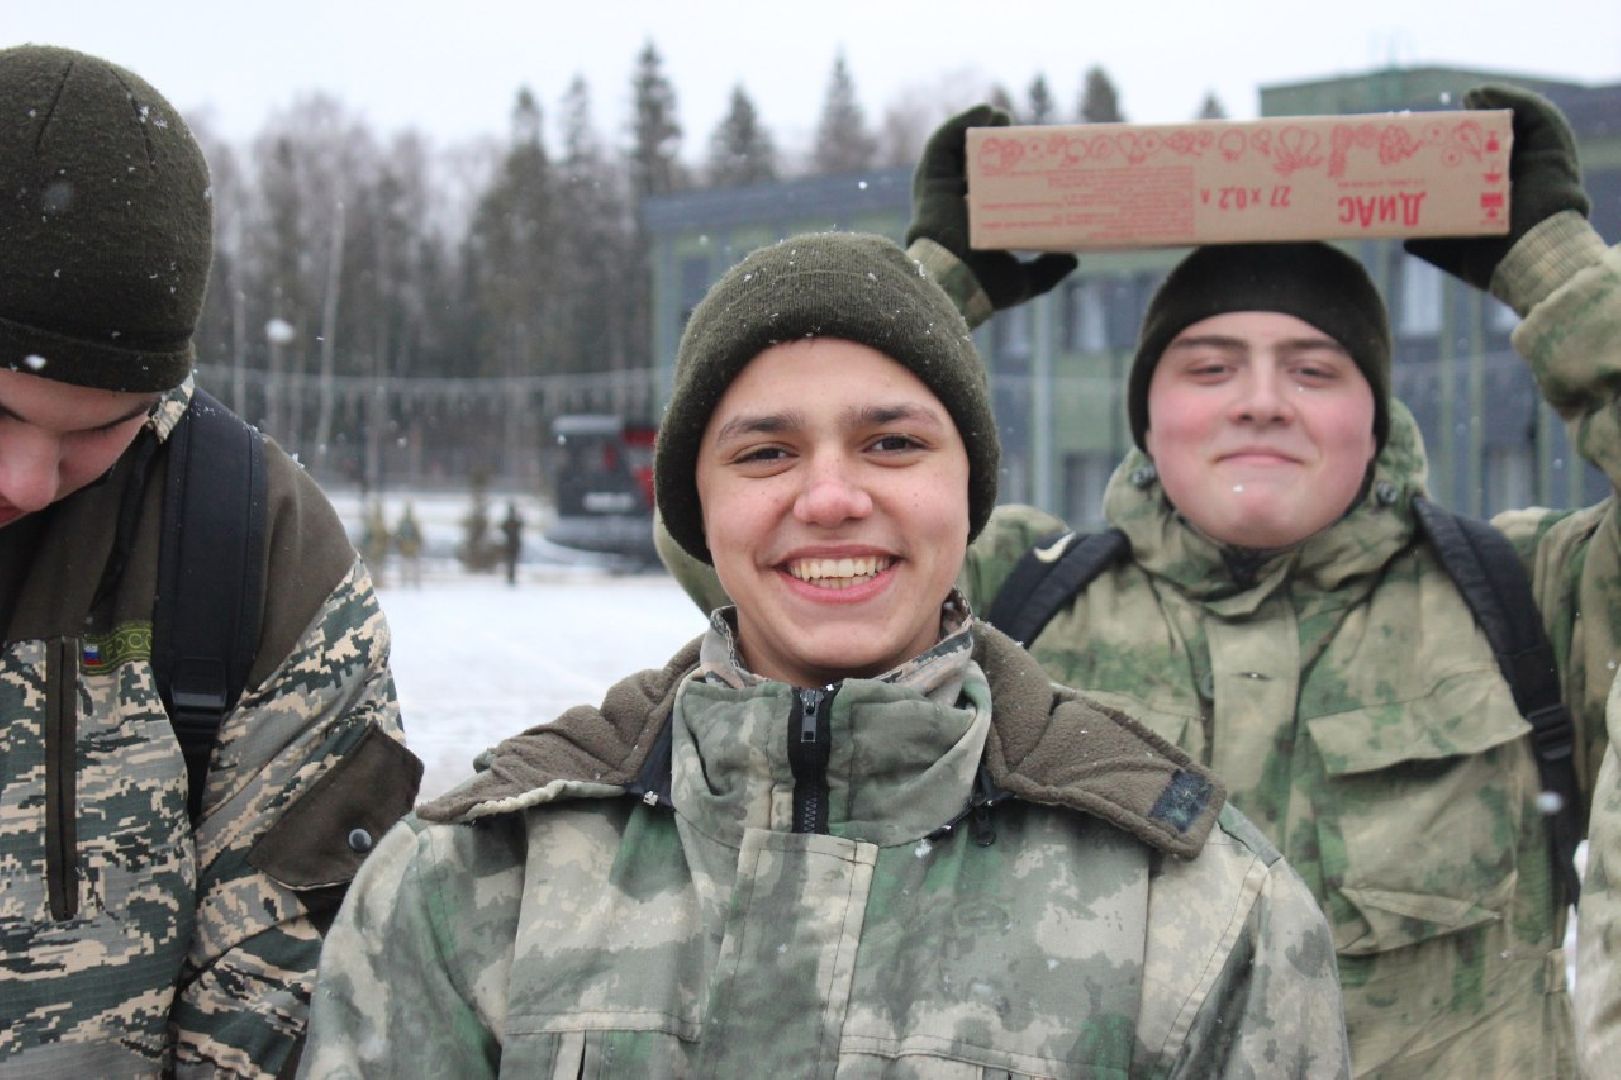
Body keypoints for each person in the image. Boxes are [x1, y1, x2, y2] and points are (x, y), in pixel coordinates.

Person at [660, 87, 1620, 1076]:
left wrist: (1556, 271)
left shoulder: (1533, 599)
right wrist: (929, 293)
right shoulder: (1010, 602)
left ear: (1373, 417)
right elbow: (728, 539)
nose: (1259, 402)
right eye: (1207, 368)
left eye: (1313, 370)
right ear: (1147, 418)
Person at [301, 232, 1349, 1077]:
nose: (833, 497)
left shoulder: (1196, 905)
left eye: (892, 443)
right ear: (697, 511)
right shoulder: (476, 879)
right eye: (765, 453)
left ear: (966, 497)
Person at [0, 45, 421, 1077]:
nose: (26, 481)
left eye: (95, 433)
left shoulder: (252, 549)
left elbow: (299, 978)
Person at [395, 501, 424, 588]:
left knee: (415, 569)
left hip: (413, 549)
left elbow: (418, 536)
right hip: (404, 549)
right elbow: (398, 536)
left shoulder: (414, 523)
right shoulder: (402, 523)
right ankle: (404, 584)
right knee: (404, 568)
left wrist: (418, 544)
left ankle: (416, 584)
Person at [499, 499, 523, 585]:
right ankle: (510, 578)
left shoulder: (513, 522)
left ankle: (511, 578)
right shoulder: (510, 522)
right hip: (511, 544)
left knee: (512, 562)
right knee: (510, 562)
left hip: (513, 544)